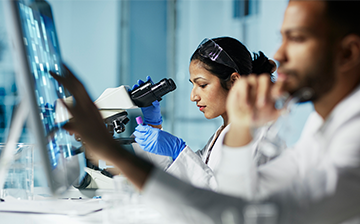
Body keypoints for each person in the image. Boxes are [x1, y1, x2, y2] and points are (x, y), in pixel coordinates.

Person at [51, 0, 360, 223]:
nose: (279, 54)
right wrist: (237, 127)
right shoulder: (323, 127)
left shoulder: (354, 139)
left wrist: (115, 152)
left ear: (348, 53)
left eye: (296, 38)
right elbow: (236, 198)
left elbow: (236, 215)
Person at [131, 37, 277, 190]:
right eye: (193, 85)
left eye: (202, 85)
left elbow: (221, 198)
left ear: (234, 82)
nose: (193, 96)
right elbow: (179, 184)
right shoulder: (221, 135)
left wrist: (179, 150)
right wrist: (154, 125)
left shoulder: (255, 135)